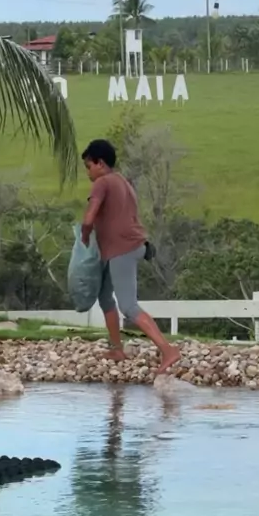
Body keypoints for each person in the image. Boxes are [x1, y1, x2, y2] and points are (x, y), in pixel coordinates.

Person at [81, 138, 180, 375]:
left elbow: (88, 219)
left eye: (88, 166)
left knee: (128, 306)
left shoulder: (102, 183)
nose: (88, 172)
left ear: (100, 163)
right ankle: (117, 349)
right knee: (105, 296)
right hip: (131, 245)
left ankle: (168, 350)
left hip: (121, 249)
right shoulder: (123, 182)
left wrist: (84, 238)